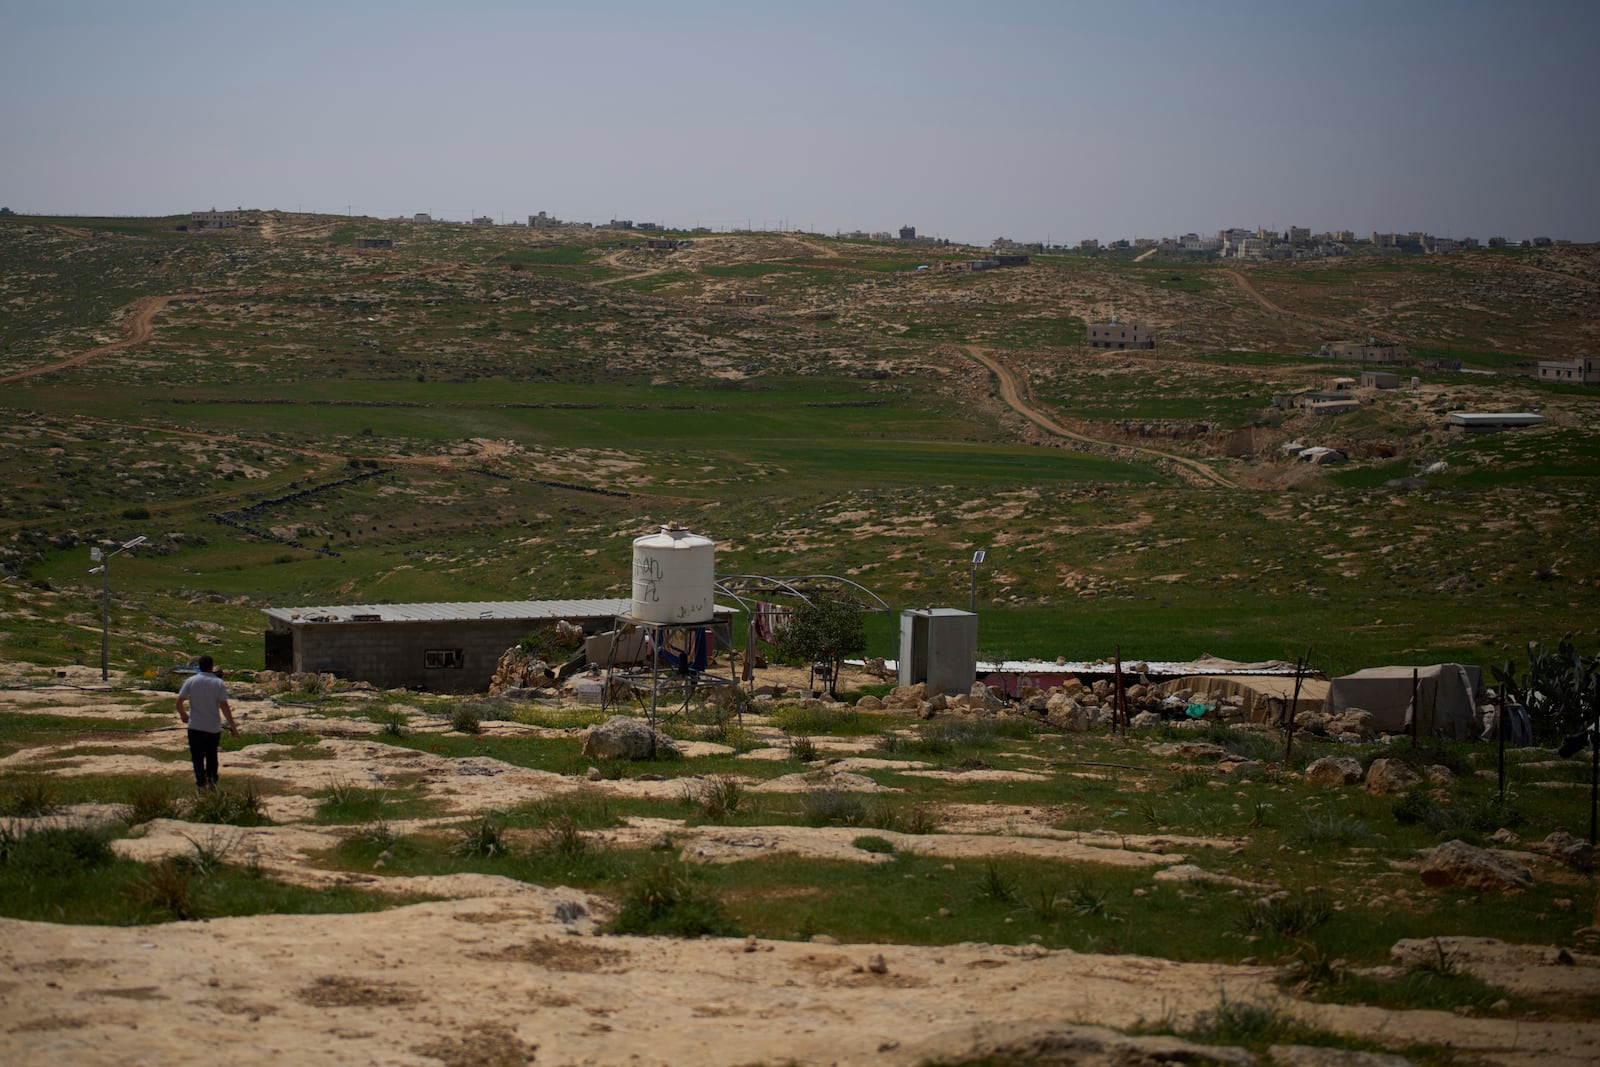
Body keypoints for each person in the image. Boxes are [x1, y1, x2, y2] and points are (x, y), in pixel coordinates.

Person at [175, 655, 238, 790]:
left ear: (199, 666)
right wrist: (233, 726)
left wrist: (183, 714)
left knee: (197, 757)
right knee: (211, 756)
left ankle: (201, 784)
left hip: (195, 725)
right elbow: (224, 706)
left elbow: (179, 702)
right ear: (212, 667)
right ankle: (212, 781)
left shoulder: (191, 681)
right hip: (213, 727)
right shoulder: (218, 683)